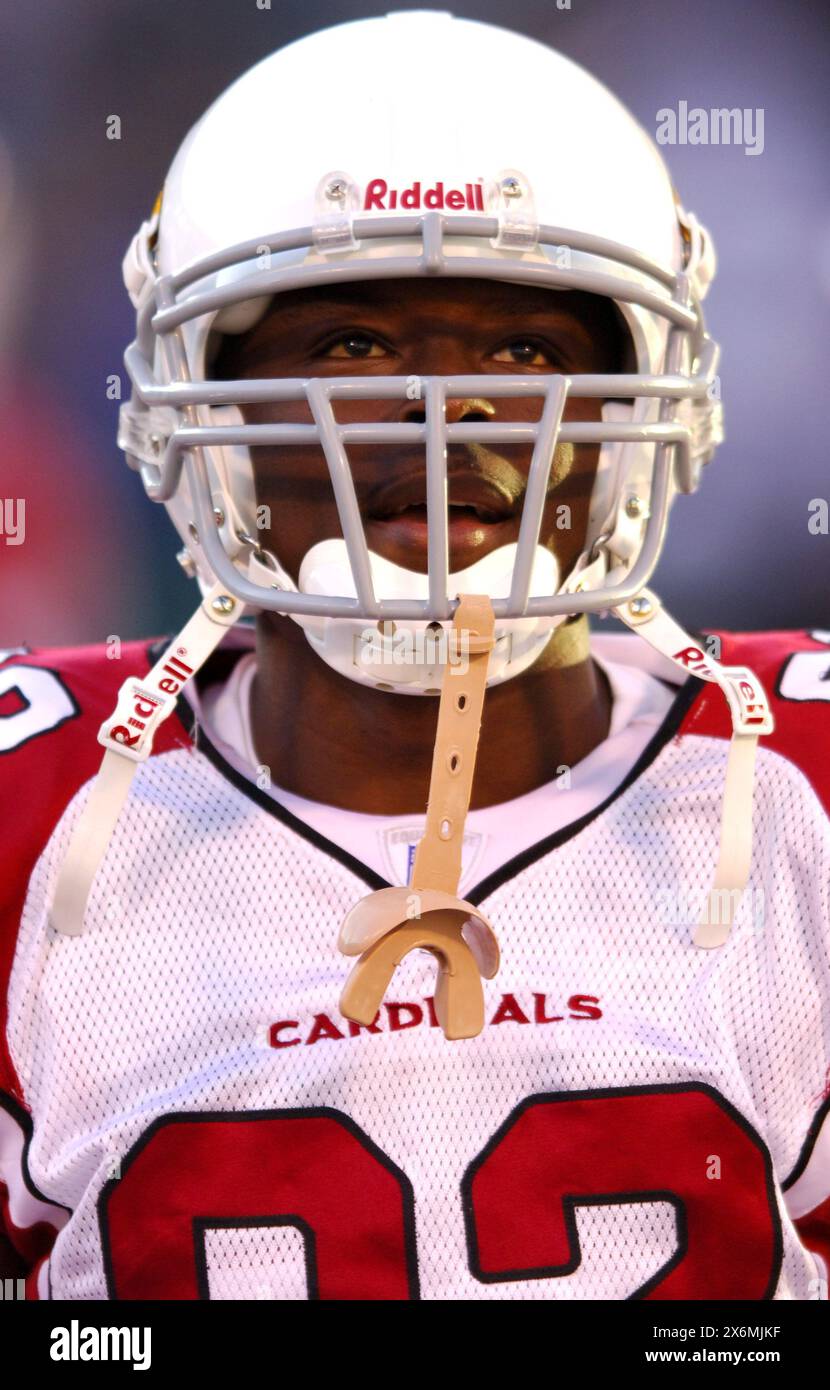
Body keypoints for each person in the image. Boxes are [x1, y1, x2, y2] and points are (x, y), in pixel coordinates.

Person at [1, 11, 827, 1302]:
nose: (449, 414)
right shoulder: (34, 807)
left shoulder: (796, 785)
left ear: (647, 410)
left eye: (525, 349)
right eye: (348, 347)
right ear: (197, 411)